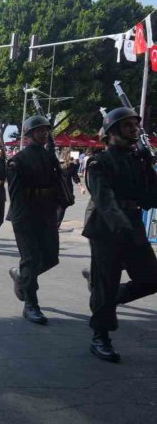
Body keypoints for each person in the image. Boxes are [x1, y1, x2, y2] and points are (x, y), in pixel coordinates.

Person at [81, 107, 157, 362]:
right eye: (128, 126)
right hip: (106, 228)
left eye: (136, 125)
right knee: (107, 279)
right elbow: (105, 200)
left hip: (132, 224)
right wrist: (121, 226)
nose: (134, 129)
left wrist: (150, 166)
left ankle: (106, 299)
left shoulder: (138, 160)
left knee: (151, 278)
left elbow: (151, 196)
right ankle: (100, 336)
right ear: (113, 132)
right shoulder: (99, 162)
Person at [6, 116, 62, 325]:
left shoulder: (50, 157)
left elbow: (58, 186)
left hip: (46, 214)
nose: (44, 134)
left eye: (46, 130)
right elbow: (15, 195)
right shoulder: (18, 160)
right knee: (30, 260)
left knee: (50, 258)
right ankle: (31, 304)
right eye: (39, 131)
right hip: (26, 216)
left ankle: (21, 274)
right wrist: (20, 221)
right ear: (29, 134)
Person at [57, 148, 80, 225]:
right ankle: (56, 224)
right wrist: (81, 186)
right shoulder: (71, 166)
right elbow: (75, 176)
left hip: (57, 188)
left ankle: (55, 224)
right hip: (67, 189)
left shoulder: (58, 165)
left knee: (59, 207)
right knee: (62, 208)